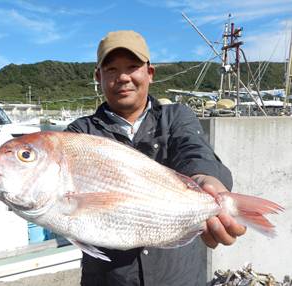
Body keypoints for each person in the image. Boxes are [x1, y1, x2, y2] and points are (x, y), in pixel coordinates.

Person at [65, 30, 246, 286]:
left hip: (178, 277)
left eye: (132, 67)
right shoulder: (80, 133)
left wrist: (207, 179)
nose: (123, 77)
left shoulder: (176, 117)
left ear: (149, 73)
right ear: (99, 76)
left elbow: (193, 150)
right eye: (112, 69)